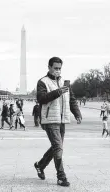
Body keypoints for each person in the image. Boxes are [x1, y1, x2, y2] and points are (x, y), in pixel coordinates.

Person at [34, 57, 82, 187]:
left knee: (57, 147)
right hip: (50, 120)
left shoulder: (64, 83)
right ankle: (61, 177)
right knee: (58, 147)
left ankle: (40, 165)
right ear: (49, 67)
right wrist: (58, 92)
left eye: (60, 68)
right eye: (55, 68)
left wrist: (77, 113)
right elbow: (41, 99)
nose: (58, 71)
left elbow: (71, 99)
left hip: (62, 120)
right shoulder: (42, 82)